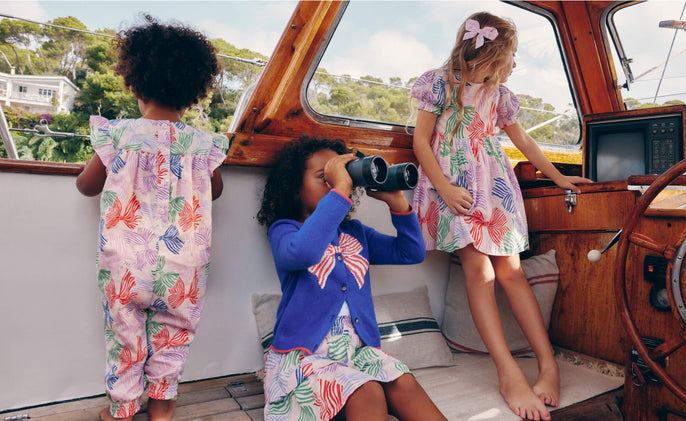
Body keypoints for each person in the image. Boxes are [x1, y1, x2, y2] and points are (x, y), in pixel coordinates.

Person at [410, 11, 592, 421]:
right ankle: (508, 372)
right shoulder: (438, 83)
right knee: (481, 273)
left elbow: (523, 139)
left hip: (493, 186)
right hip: (453, 186)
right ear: (492, 54)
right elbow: (421, 141)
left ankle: (548, 365)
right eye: (513, 55)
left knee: (511, 271)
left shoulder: (502, 95)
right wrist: (443, 187)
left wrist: (559, 177)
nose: (516, 64)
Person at [75, 16, 230, 421]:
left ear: (136, 84)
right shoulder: (202, 143)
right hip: (183, 266)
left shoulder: (119, 134)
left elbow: (87, 187)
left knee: (123, 337)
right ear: (194, 90)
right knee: (174, 337)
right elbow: (215, 191)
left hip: (126, 263)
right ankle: (161, 409)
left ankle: (123, 410)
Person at [257, 137, 446, 421]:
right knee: (366, 389)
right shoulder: (285, 231)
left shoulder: (355, 232)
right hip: (306, 356)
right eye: (325, 177)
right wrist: (342, 188)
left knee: (403, 381)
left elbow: (410, 252)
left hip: (357, 354)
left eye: (342, 177)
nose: (335, 183)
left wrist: (396, 202)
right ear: (293, 187)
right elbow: (304, 252)